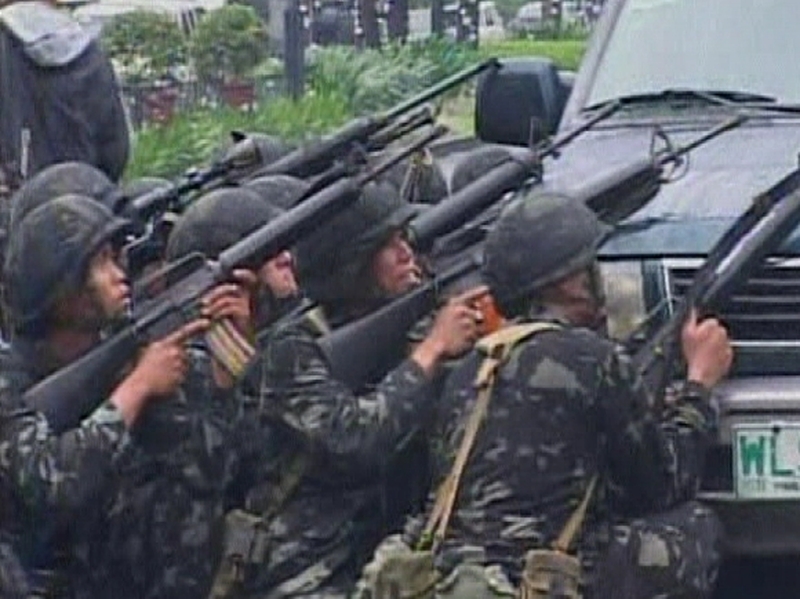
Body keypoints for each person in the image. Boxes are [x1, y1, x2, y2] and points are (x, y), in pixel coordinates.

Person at [361, 191, 733, 599]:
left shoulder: (471, 366)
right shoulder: (591, 358)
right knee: (697, 527)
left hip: (460, 577)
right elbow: (661, 483)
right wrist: (699, 385)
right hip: (540, 578)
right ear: (570, 282)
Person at [218, 181, 485, 598]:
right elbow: (355, 439)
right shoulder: (293, 348)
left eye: (404, 239)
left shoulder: (402, 328)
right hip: (308, 573)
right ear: (351, 263)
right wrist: (431, 351)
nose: (406, 254)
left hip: (386, 563)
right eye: (387, 245)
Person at [0, 193, 209, 598]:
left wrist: (218, 376)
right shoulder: (8, 379)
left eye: (116, 259)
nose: (119, 275)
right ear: (63, 288)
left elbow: (200, 470)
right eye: (100, 263)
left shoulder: (116, 351)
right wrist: (138, 387)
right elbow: (52, 484)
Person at [0, 0, 130, 187]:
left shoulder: (5, 43)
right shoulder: (89, 49)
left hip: (19, 192)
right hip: (86, 191)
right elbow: (115, 149)